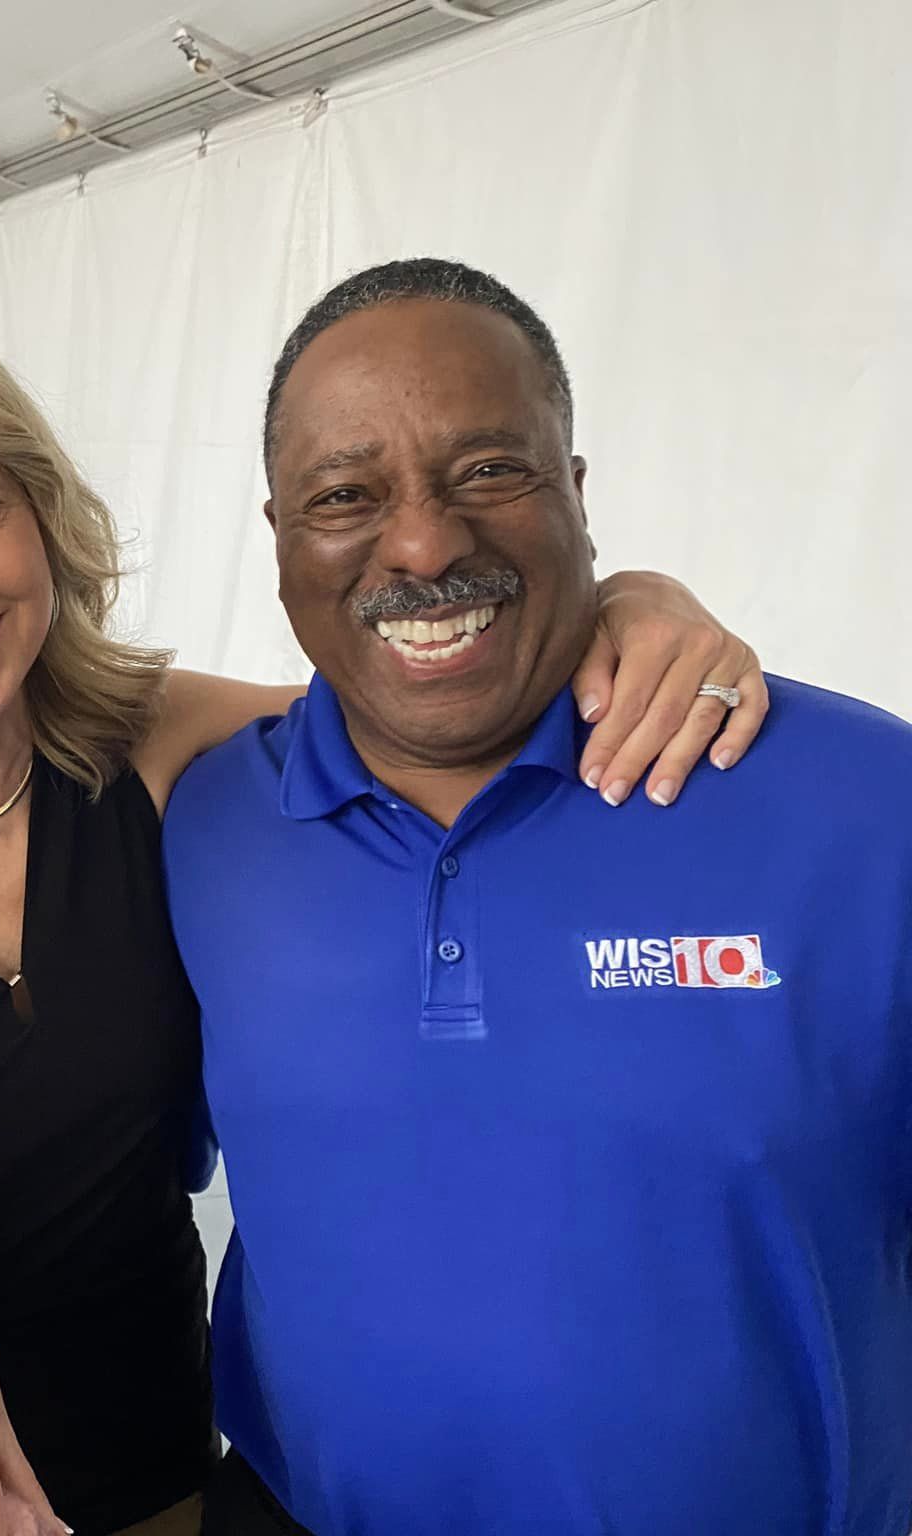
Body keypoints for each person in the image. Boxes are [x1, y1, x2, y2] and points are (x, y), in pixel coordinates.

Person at [0, 310, 766, 1536]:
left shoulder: (158, 746)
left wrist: (629, 602)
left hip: (160, 1485)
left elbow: (426, 685)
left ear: (42, 512)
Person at [164, 258, 912, 1536]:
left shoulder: (863, 803)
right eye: (344, 495)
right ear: (278, 537)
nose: (421, 543)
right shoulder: (204, 824)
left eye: (487, 471)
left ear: (575, 492)